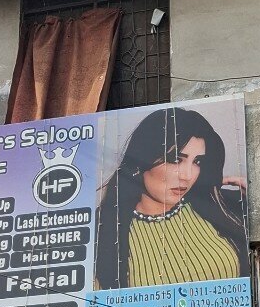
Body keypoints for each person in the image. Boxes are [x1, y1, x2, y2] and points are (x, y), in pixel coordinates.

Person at [96, 106, 248, 290]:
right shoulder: (103, 232)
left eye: (197, 162)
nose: (187, 175)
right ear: (140, 161)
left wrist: (256, 202)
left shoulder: (222, 207)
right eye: (176, 159)